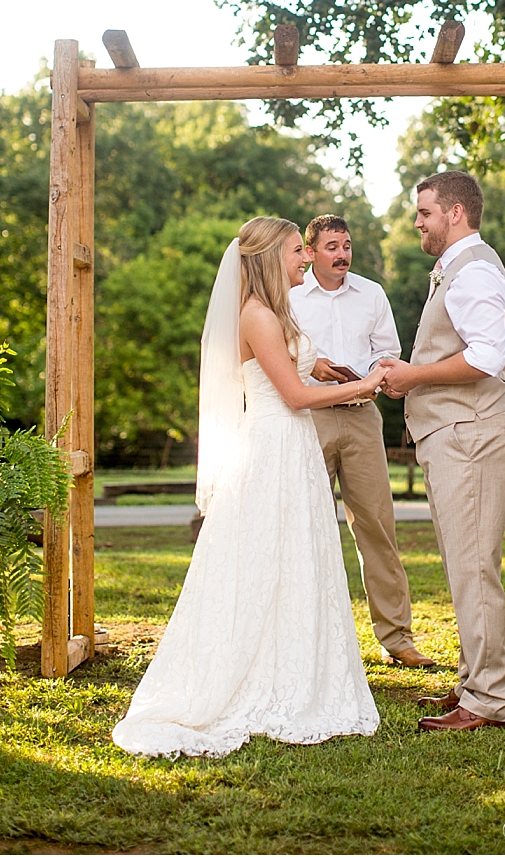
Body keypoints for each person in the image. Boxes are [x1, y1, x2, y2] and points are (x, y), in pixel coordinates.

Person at [112, 217, 382, 758]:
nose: (304, 259)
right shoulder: (256, 315)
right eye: (294, 251)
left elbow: (292, 373)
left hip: (292, 449)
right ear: (265, 259)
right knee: (259, 561)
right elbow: (294, 398)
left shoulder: (275, 311)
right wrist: (367, 384)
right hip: (272, 448)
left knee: (292, 561)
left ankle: (289, 666)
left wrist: (323, 368)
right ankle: (248, 677)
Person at [379, 172, 505, 732]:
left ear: (455, 213)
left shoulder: (476, 271)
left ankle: (487, 700)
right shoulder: (462, 269)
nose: (418, 221)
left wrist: (413, 376)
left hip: (472, 434)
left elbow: (487, 356)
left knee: (473, 567)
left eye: (425, 212)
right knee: (466, 565)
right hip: (458, 435)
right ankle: (472, 683)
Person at [290, 215, 435, 669]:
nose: (342, 254)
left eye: (347, 245)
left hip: (361, 418)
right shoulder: (289, 297)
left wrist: (375, 371)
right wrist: (312, 366)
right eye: (331, 246)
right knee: (303, 528)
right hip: (306, 418)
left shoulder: (371, 293)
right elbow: (274, 353)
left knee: (377, 526)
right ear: (310, 253)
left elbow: (387, 350)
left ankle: (397, 637)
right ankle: (302, 639)